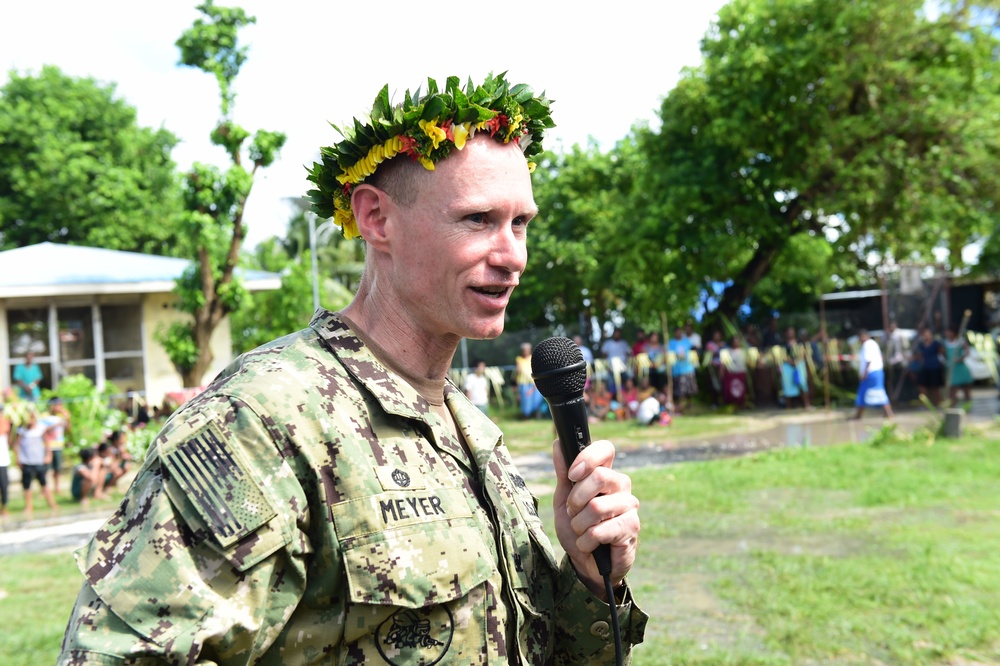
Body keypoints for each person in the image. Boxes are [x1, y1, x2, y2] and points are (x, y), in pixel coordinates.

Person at [60, 74, 644, 664]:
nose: (513, 255)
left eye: (520, 223)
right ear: (375, 218)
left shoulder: (467, 427)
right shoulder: (262, 422)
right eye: (477, 220)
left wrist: (590, 578)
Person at [12, 408, 58, 513]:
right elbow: (16, 445)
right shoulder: (22, 430)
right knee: (27, 484)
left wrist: (48, 455)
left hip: (39, 461)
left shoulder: (40, 429)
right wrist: (17, 458)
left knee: (44, 482)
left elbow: (47, 443)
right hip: (27, 461)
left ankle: (52, 503)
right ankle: (28, 506)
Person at [852, 329, 894, 420]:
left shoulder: (867, 344)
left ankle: (858, 416)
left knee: (868, 393)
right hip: (877, 372)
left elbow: (868, 360)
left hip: (871, 373)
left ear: (863, 337)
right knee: (876, 392)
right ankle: (888, 413)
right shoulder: (873, 344)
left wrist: (865, 373)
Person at [43, 398, 71, 495]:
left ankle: (57, 487)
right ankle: (45, 489)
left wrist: (67, 418)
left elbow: (68, 430)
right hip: (48, 446)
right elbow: (43, 430)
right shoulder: (45, 416)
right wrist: (56, 425)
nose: (60, 407)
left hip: (58, 445)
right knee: (47, 469)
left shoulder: (61, 416)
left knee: (57, 469)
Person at [780, 327, 811, 410]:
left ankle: (806, 405)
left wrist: (797, 362)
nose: (790, 334)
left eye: (792, 332)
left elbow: (804, 353)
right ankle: (788, 406)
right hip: (787, 366)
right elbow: (782, 355)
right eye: (788, 332)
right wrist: (790, 362)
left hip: (799, 365)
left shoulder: (800, 343)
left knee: (802, 384)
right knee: (787, 385)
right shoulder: (783, 344)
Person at [668, 326, 697, 413]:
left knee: (689, 389)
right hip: (677, 370)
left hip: (688, 368)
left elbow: (692, 350)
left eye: (680, 332)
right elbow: (669, 354)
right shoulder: (671, 343)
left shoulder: (686, 341)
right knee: (679, 389)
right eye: (676, 332)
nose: (678, 333)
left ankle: (689, 404)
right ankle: (679, 406)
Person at [915, 327, 946, 407]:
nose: (926, 336)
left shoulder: (936, 343)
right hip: (925, 367)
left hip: (935, 367)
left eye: (928, 334)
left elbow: (943, 353)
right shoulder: (921, 344)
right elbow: (920, 355)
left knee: (935, 387)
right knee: (922, 385)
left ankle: (937, 403)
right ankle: (927, 403)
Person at [514, 341, 545, 419]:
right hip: (523, 383)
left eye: (527, 349)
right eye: (524, 349)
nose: (526, 351)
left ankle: (537, 415)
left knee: (537, 400)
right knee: (525, 401)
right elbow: (517, 372)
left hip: (534, 382)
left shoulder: (532, 358)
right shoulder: (519, 359)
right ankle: (525, 416)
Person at [944, 327, 973, 403]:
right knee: (952, 389)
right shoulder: (945, 342)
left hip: (960, 367)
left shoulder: (960, 341)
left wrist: (961, 358)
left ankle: (967, 404)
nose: (947, 334)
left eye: (949, 332)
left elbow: (967, 351)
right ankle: (953, 405)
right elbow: (943, 354)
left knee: (965, 387)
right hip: (952, 368)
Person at [0, 395, 10, 518]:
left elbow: (4, 429)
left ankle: (4, 507)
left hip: (2, 460)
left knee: (4, 485)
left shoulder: (4, 422)